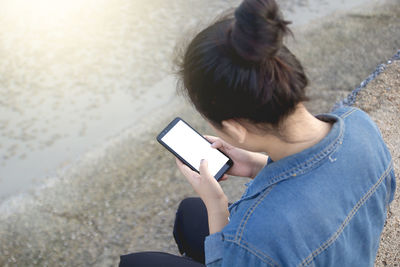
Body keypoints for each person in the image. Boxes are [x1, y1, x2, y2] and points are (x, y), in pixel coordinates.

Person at [120, 0, 396, 266]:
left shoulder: (256, 238)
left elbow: (250, 246)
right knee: (188, 214)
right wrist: (256, 164)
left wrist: (217, 206)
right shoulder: (360, 125)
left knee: (136, 262)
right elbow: (324, 179)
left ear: (234, 129)